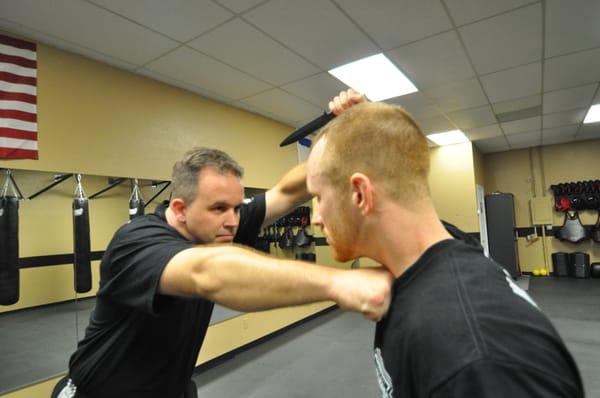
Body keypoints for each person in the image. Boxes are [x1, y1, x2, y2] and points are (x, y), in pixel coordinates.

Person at [52, 119, 394, 397]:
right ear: (180, 209)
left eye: (236, 207)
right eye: (218, 208)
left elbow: (289, 191)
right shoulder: (137, 243)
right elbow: (207, 272)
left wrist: (346, 133)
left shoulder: (219, 225)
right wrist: (339, 282)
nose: (232, 220)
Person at [307, 90, 584, 397]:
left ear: (360, 194)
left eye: (319, 198)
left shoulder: (476, 354)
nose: (315, 218)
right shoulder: (444, 253)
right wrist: (367, 131)